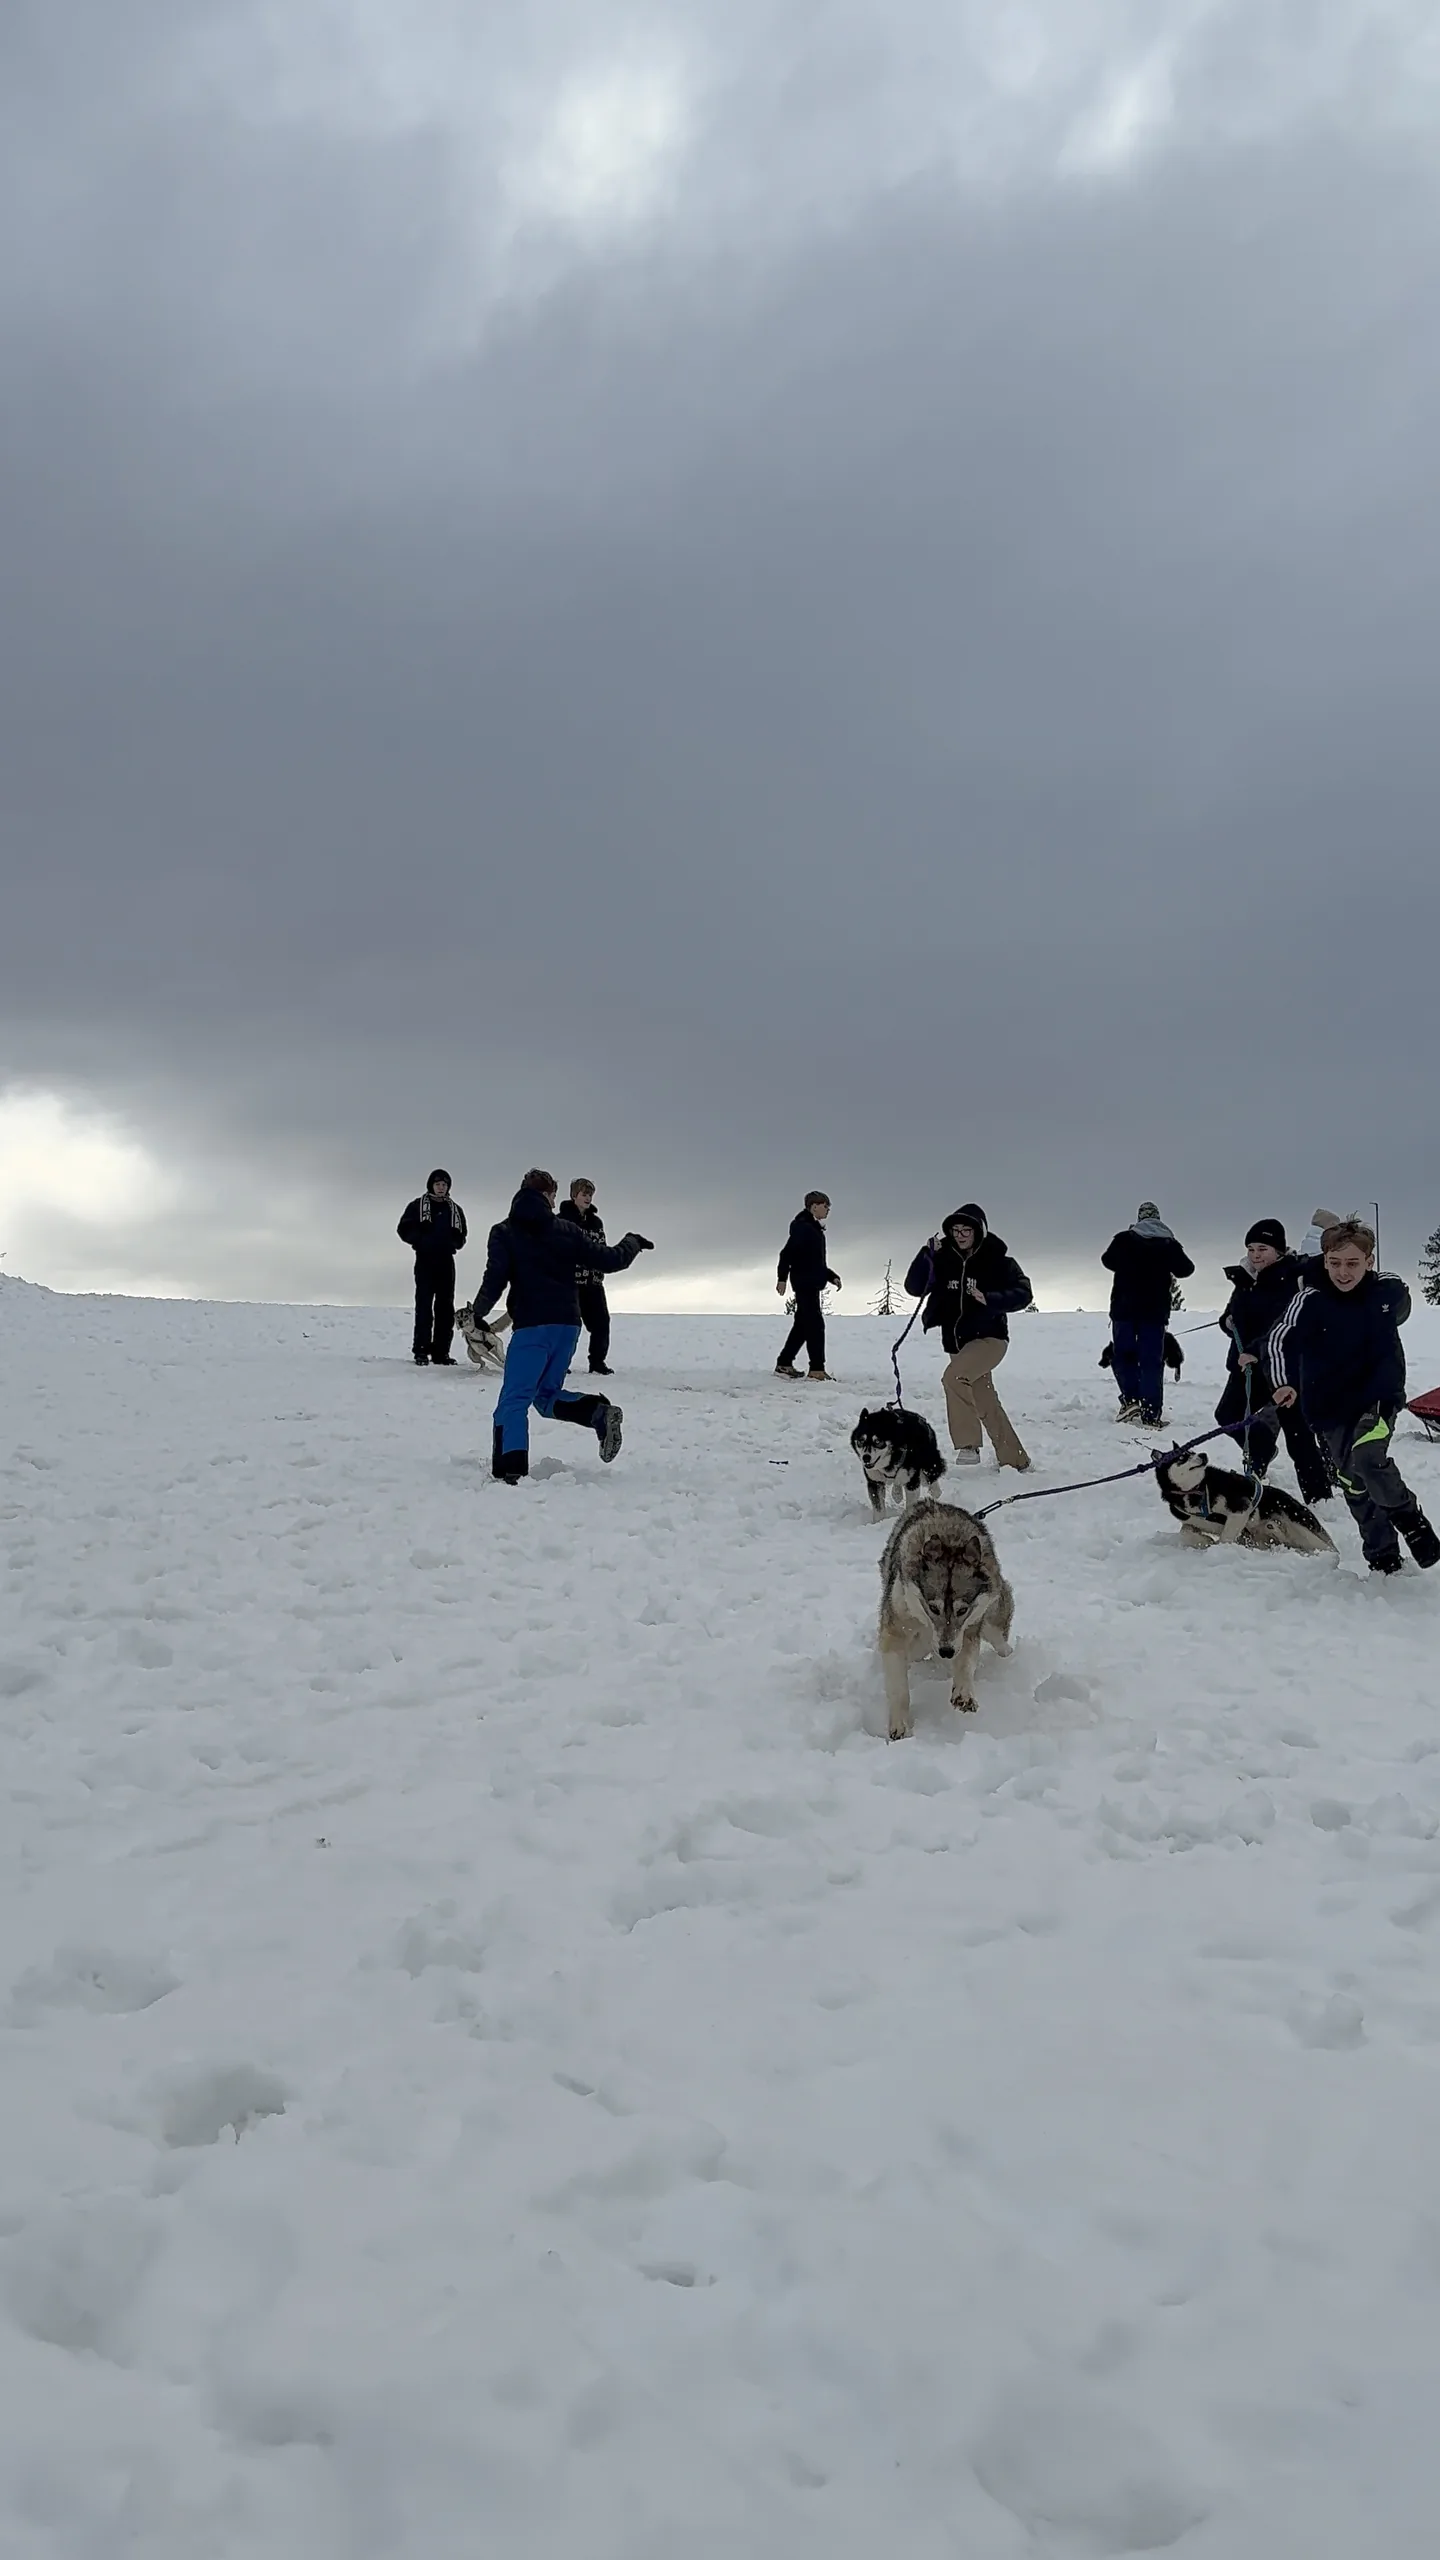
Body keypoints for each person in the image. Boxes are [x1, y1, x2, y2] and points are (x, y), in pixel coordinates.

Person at [1270, 1218, 1440, 1575]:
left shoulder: (1385, 1292)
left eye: (1352, 1263)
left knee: (1367, 1456)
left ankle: (1411, 1521)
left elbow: (1401, 1303)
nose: (1343, 1273)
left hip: (1377, 1398)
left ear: (1369, 1261)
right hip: (1328, 1406)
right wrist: (1283, 1382)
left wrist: (1395, 1296)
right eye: (1335, 1263)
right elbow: (1279, 1340)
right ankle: (1383, 1558)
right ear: (1325, 1260)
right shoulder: (1310, 1300)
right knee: (1353, 1482)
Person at [470, 1170, 653, 1483]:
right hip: (567, 1327)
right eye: (554, 1197)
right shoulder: (566, 1230)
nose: (555, 1202)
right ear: (547, 1195)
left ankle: (510, 1471)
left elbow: (495, 1280)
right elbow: (610, 1260)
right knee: (544, 1396)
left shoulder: (503, 1231)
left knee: (514, 1401)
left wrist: (477, 1314)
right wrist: (632, 1242)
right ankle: (598, 1413)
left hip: (531, 1328)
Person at [903, 1204, 1033, 1470]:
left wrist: (991, 1299)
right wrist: (925, 1254)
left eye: (966, 1230)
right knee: (985, 1401)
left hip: (990, 1339)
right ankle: (1015, 1460)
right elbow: (914, 1287)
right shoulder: (942, 1260)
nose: (960, 1235)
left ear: (979, 1231)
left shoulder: (999, 1261)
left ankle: (968, 1445)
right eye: (955, 1230)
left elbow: (1024, 1293)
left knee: (953, 1378)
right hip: (957, 1344)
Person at [1215, 1219, 1330, 1505]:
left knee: (1297, 1432)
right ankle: (1262, 1448)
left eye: (1262, 1248)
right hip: (1246, 1366)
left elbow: (1288, 1322)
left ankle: (1319, 1494)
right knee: (1227, 1415)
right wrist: (1227, 1322)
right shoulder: (1244, 1278)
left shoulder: (1293, 1276)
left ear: (1278, 1250)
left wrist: (1257, 1347)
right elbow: (1231, 1315)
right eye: (1251, 1248)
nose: (1255, 1254)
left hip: (1282, 1365)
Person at [1101, 1202, 1195, 1426]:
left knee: (1123, 1354)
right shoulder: (1168, 1242)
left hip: (1124, 1308)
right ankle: (1151, 1413)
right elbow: (1186, 1269)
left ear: (1140, 1218)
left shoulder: (1124, 1239)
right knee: (1151, 1360)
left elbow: (1107, 1261)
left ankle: (1131, 1399)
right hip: (1154, 1310)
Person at [397, 1169, 467, 1366]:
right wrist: (419, 1240)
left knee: (445, 1307)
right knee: (424, 1306)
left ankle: (441, 1352)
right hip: (425, 1260)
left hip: (446, 1260)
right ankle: (421, 1350)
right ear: (431, 1186)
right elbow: (403, 1228)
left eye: (444, 1185)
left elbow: (462, 1234)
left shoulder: (454, 1210)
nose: (441, 1188)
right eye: (437, 1184)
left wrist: (454, 1242)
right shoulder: (417, 1206)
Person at [775, 1193, 841, 1380]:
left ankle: (784, 1363)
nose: (828, 1209)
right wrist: (782, 1278)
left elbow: (814, 1261)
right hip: (805, 1284)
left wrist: (831, 1276)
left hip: (810, 1281)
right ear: (813, 1207)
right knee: (815, 1325)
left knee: (803, 1325)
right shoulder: (803, 1228)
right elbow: (786, 1254)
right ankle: (817, 1369)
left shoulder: (812, 1228)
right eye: (825, 1205)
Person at [560, 1178, 615, 1375]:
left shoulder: (595, 1222)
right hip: (570, 1283)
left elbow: (601, 1248)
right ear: (574, 1195)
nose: (588, 1198)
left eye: (590, 1194)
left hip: (593, 1283)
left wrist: (600, 1269)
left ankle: (597, 1362)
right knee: (569, 1326)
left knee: (601, 1322)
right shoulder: (562, 1220)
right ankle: (561, 1363)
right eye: (584, 1194)